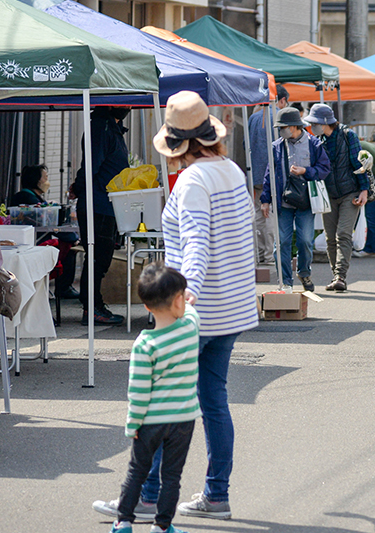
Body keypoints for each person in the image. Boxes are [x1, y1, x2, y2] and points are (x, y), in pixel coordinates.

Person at [119, 90, 259, 522]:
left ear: (179, 145)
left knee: (164, 400)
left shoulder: (194, 180)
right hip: (231, 305)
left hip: (196, 308)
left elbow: (196, 243)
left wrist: (184, 296)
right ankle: (216, 495)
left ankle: (146, 496)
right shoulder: (231, 170)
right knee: (212, 399)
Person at [108, 264, 200, 533]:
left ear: (147, 307)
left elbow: (138, 392)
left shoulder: (144, 344)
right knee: (172, 476)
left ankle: (123, 521)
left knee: (138, 471)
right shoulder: (190, 329)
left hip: (150, 421)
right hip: (184, 419)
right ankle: (162, 526)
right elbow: (192, 311)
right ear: (179, 301)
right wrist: (189, 299)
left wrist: (132, 425)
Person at [260, 106, 331, 292]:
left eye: (283, 127)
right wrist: (265, 199)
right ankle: (286, 282)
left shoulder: (314, 144)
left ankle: (304, 272)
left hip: (305, 202)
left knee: (305, 241)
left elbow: (324, 169)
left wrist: (306, 171)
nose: (281, 130)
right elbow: (270, 174)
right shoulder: (277, 146)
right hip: (283, 203)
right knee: (281, 243)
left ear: (294, 127)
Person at [71, 105, 129, 326]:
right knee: (96, 258)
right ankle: (92, 309)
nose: (129, 107)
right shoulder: (100, 127)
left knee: (101, 259)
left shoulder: (112, 128)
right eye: (125, 102)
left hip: (107, 204)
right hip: (98, 204)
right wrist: (78, 186)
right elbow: (91, 166)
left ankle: (94, 305)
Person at [307, 103, 369, 292]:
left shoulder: (347, 135)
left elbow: (360, 164)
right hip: (328, 194)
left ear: (325, 122)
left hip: (350, 192)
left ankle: (341, 275)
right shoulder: (318, 141)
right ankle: (336, 276)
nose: (312, 126)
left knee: (343, 234)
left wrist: (364, 189)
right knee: (329, 238)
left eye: (315, 123)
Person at [11, 163, 79, 300]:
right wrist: (72, 237)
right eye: (45, 177)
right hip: (34, 244)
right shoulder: (28, 198)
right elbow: (49, 223)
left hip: (34, 241)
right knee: (70, 246)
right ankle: (64, 287)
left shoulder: (29, 197)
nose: (47, 181)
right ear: (35, 180)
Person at [247, 87, 290, 265]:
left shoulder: (253, 117)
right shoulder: (280, 117)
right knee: (271, 212)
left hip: (255, 172)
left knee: (258, 212)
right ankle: (270, 254)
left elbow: (245, 143)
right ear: (281, 100)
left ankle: (259, 253)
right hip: (274, 173)